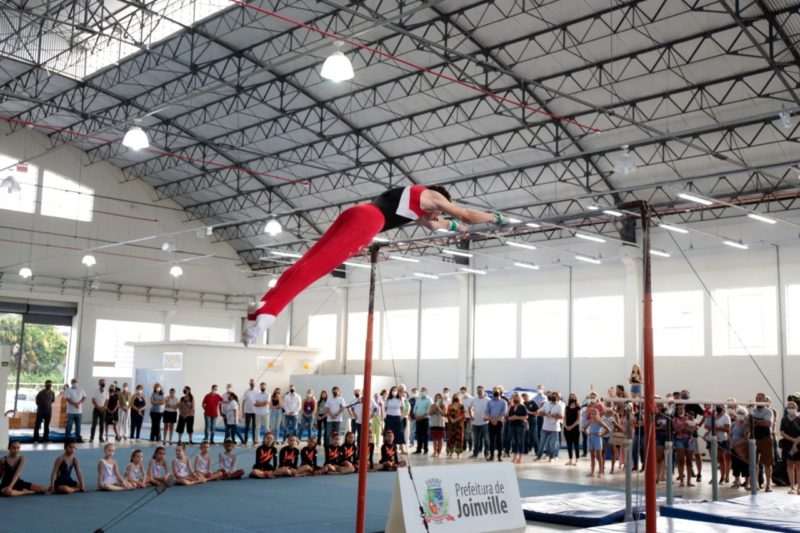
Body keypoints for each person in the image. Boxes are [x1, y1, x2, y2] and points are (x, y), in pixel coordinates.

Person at [242, 184, 504, 345]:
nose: (436, 215)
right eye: (440, 210)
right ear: (441, 200)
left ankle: (262, 306)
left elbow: (435, 225)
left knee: (310, 259)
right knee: (320, 265)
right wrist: (495, 218)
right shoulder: (433, 196)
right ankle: (270, 313)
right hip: (369, 221)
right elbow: (465, 214)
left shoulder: (413, 201)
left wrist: (455, 226)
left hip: (356, 212)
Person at [751, 392, 774, 492]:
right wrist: (760, 421)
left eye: (760, 398)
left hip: (765, 438)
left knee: (768, 463)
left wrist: (755, 421)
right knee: (754, 462)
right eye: (757, 398)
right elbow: (748, 422)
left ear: (764, 400)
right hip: (754, 438)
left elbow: (768, 423)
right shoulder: (752, 410)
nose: (758, 400)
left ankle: (768, 485)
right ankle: (755, 483)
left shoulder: (768, 411)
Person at [536, 393, 564, 463]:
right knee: (542, 442)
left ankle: (552, 457)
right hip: (545, 427)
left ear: (557, 399)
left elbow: (561, 417)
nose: (554, 401)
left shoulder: (560, 406)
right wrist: (546, 414)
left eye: (555, 399)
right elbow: (540, 412)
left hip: (554, 428)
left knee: (553, 444)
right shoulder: (546, 404)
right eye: (552, 400)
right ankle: (539, 456)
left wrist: (553, 416)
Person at [779, 401, 800, 494]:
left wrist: (796, 442)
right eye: (789, 407)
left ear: (797, 408)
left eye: (793, 407)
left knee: (798, 466)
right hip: (787, 444)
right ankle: (792, 487)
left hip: (799, 444)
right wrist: (792, 440)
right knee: (790, 465)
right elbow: (782, 432)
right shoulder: (784, 419)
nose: (791, 409)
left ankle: (799, 487)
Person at [584, 410, 611, 477]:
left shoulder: (599, 422)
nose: (593, 415)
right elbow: (584, 429)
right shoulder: (590, 421)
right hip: (591, 438)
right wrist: (588, 434)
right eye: (592, 414)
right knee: (592, 456)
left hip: (597, 439)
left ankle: (601, 472)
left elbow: (608, 429)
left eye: (594, 414)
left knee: (599, 456)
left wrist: (601, 434)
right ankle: (592, 472)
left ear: (597, 414)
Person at [730, 407, 750, 489]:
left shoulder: (746, 425)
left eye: (742, 414)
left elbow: (746, 438)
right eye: (739, 414)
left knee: (745, 464)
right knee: (735, 465)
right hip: (734, 447)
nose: (740, 415)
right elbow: (729, 435)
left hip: (743, 448)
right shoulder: (733, 424)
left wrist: (737, 444)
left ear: (745, 415)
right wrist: (732, 442)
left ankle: (747, 482)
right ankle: (737, 481)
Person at [506, 393, 528, 464]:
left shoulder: (522, 407)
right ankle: (515, 456)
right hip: (512, 425)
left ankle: (520, 457)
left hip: (520, 426)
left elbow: (526, 417)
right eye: (514, 397)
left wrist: (517, 417)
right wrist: (511, 418)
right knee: (514, 442)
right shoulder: (512, 407)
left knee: (520, 441)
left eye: (517, 397)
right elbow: (509, 417)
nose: (515, 398)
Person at [486, 388, 507, 462]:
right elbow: (487, 412)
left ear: (500, 393)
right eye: (494, 392)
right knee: (491, 440)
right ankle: (491, 456)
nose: (496, 393)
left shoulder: (503, 402)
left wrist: (496, 420)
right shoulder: (489, 402)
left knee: (499, 440)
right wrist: (492, 420)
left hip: (499, 423)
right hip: (491, 423)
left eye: (497, 392)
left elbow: (504, 413)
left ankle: (499, 456)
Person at [470, 386, 490, 459]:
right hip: (475, 423)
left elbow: (490, 410)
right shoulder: (474, 399)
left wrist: (487, 417)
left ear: (483, 391)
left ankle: (486, 453)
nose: (479, 392)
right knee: (476, 440)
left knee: (486, 439)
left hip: (485, 423)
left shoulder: (488, 400)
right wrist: (471, 415)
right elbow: (470, 408)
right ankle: (475, 453)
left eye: (481, 391)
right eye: (478, 391)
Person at [563, 394, 581, 466]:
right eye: (571, 397)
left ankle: (577, 460)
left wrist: (571, 427)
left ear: (575, 398)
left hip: (575, 428)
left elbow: (579, 419)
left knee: (576, 444)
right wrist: (566, 426)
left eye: (573, 397)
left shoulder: (578, 407)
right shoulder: (567, 407)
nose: (572, 398)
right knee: (569, 445)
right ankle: (570, 460)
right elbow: (564, 417)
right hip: (567, 429)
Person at [413, 387, 432, 455]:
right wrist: (415, 415)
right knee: (418, 434)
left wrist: (421, 417)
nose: (422, 392)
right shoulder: (418, 399)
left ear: (427, 392)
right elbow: (415, 408)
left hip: (425, 419)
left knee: (425, 435)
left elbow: (428, 410)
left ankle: (425, 449)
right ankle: (418, 449)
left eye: (424, 391)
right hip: (418, 419)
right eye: (421, 391)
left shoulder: (429, 399)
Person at [90, 379, 108, 443]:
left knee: (102, 424)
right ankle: (92, 438)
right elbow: (93, 400)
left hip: (103, 410)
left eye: (104, 383)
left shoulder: (106, 391)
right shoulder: (96, 391)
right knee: (94, 424)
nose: (103, 384)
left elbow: (107, 400)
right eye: (101, 383)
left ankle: (101, 438)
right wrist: (98, 407)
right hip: (96, 409)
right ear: (99, 384)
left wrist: (104, 407)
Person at [429, 393, 447, 459]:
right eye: (436, 397)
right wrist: (434, 408)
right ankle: (435, 452)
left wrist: (439, 408)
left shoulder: (443, 405)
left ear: (441, 398)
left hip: (441, 424)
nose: (437, 398)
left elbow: (444, 414)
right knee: (434, 439)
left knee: (440, 439)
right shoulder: (432, 405)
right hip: (434, 424)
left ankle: (439, 452)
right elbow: (430, 413)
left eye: (439, 397)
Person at [242, 379, 258, 445]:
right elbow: (243, 402)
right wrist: (243, 412)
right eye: (251, 383)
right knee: (247, 426)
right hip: (247, 411)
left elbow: (259, 401)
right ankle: (245, 440)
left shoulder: (257, 391)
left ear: (255, 383)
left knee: (254, 427)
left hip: (255, 412)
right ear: (249, 383)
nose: (252, 384)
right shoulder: (246, 391)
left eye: (253, 383)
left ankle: (254, 440)